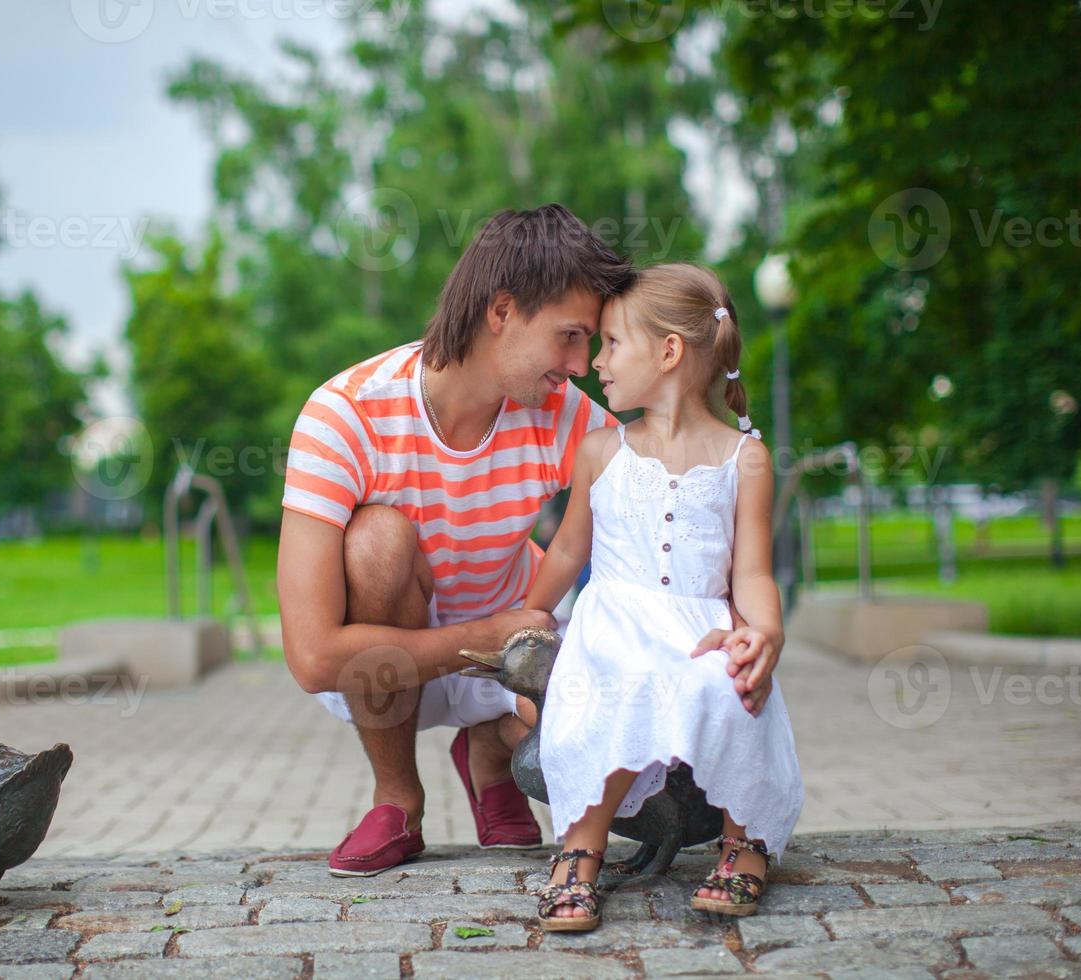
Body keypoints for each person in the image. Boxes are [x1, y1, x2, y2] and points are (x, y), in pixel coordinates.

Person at [276, 208, 784, 878]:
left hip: (520, 647)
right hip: (396, 661)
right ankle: (397, 798)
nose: (581, 365)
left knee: (629, 775)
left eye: (594, 342)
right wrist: (488, 636)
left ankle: (488, 750)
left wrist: (747, 628)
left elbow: (673, 491)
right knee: (377, 541)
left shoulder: (561, 413)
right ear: (502, 311)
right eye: (571, 337)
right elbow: (313, 658)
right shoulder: (343, 416)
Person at [523, 263, 804, 929]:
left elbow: (753, 575)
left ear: (670, 351)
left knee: (730, 683)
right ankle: (580, 850)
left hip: (701, 628)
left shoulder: (746, 460)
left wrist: (762, 632)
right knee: (621, 690)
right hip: (614, 629)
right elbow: (568, 548)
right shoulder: (601, 451)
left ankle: (746, 841)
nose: (597, 362)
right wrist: (530, 614)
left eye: (613, 344)